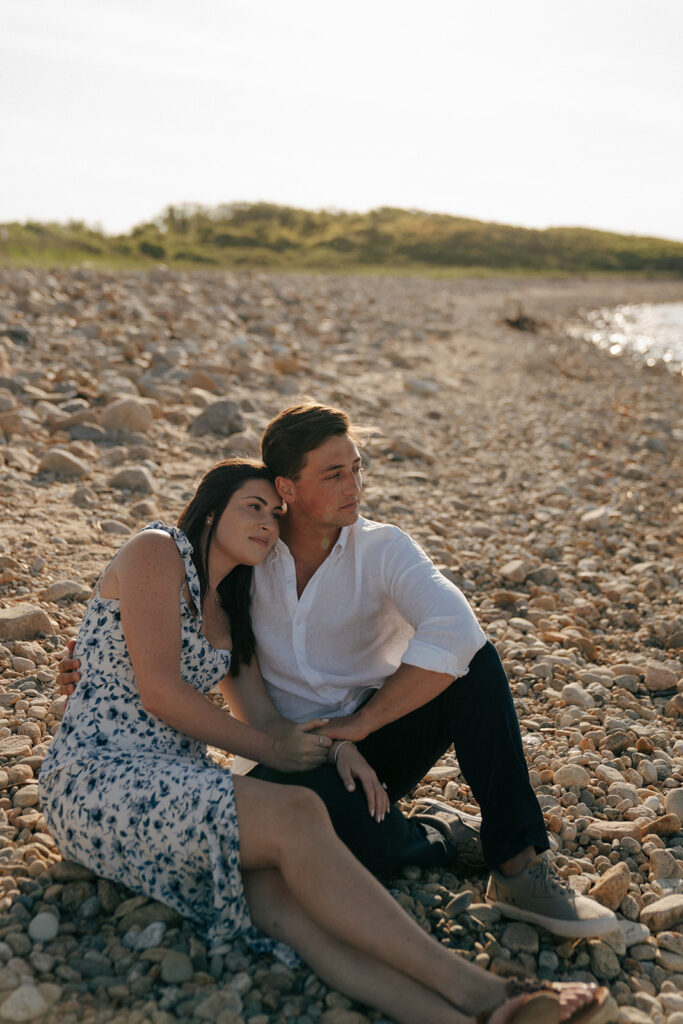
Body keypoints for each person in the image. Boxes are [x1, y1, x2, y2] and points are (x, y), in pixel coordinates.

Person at [40, 457, 608, 1024]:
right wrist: (272, 752)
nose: (267, 523)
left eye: (275, 513)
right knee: (298, 813)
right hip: (98, 775)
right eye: (253, 507)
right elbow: (161, 692)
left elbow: (264, 720)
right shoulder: (156, 550)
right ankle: (488, 992)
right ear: (211, 512)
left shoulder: (232, 608)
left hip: (173, 781)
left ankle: (460, 1017)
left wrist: (338, 747)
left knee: (289, 911)